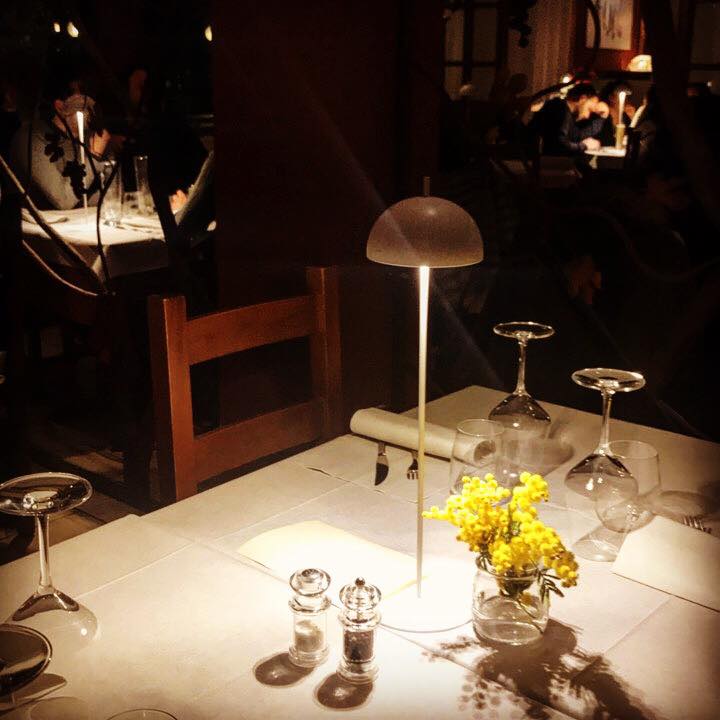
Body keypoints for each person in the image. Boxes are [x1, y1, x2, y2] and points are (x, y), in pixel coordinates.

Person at [9, 75, 110, 210]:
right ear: (60, 106)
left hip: (83, 220)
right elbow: (64, 200)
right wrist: (94, 155)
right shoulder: (30, 138)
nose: (91, 105)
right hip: (40, 222)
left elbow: (109, 194)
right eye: (83, 100)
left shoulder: (89, 138)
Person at [530, 83, 608, 156]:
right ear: (583, 98)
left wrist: (602, 117)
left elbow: (576, 136)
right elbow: (559, 146)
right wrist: (584, 146)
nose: (588, 116)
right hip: (543, 161)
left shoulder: (566, 112)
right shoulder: (559, 108)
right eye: (589, 109)